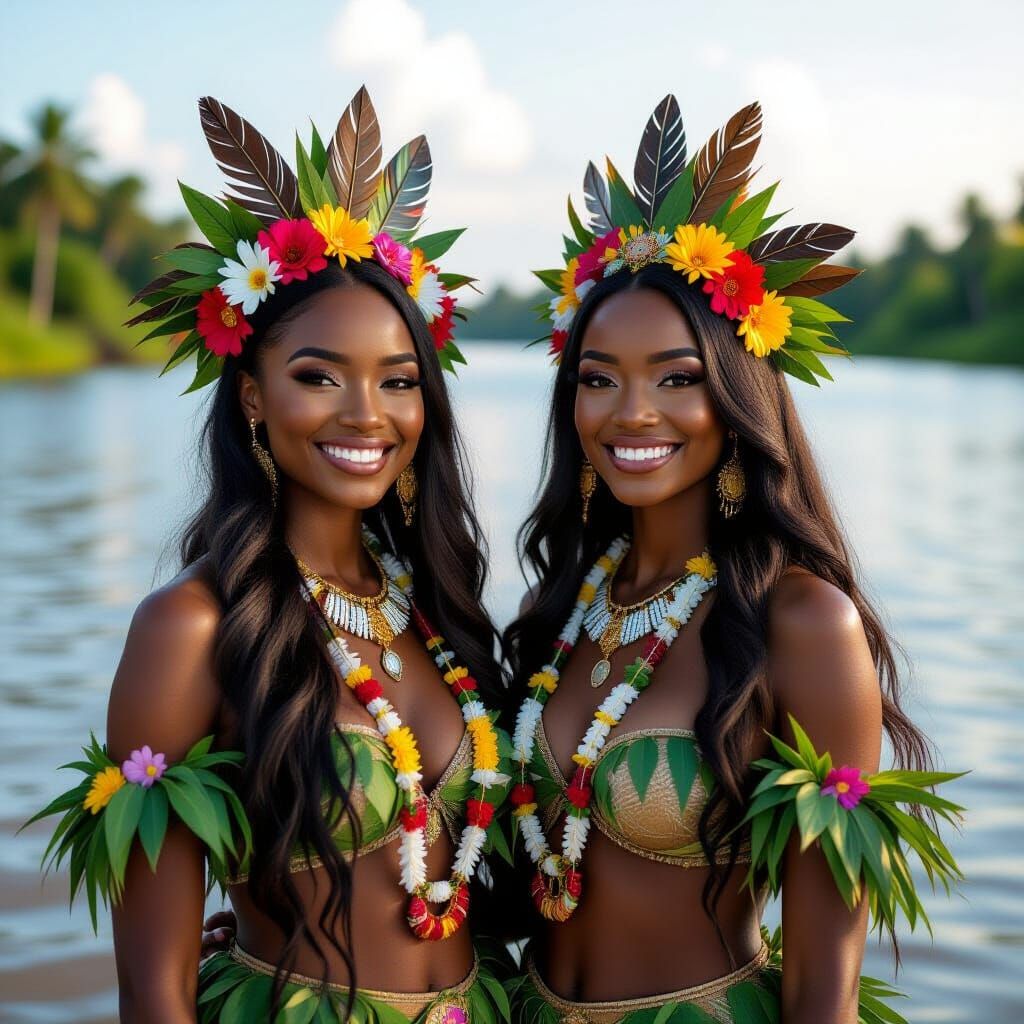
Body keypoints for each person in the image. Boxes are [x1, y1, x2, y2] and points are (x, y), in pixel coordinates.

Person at [28, 89, 512, 1023]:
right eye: (318, 376)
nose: (366, 413)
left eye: (398, 381)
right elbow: (153, 993)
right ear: (252, 397)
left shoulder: (434, 608)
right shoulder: (192, 627)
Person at [501, 95, 964, 1024]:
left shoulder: (802, 623)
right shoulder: (570, 605)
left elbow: (825, 975)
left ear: (738, 395)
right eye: (599, 379)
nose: (632, 412)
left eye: (677, 378)